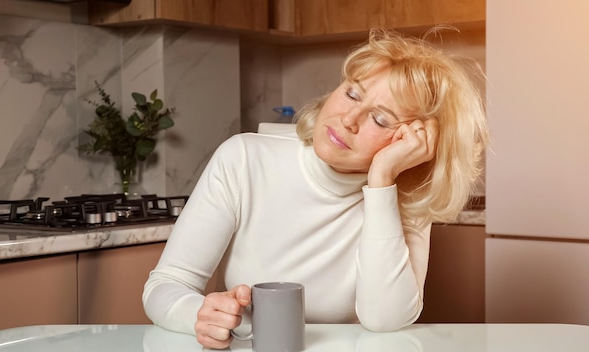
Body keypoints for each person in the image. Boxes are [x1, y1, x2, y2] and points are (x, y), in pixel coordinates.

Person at [142, 27, 488, 349]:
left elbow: (386, 321)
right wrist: (199, 314)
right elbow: (164, 287)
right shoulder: (243, 159)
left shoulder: (405, 198)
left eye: (380, 119)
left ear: (413, 145)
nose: (348, 120)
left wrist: (381, 181)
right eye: (353, 94)